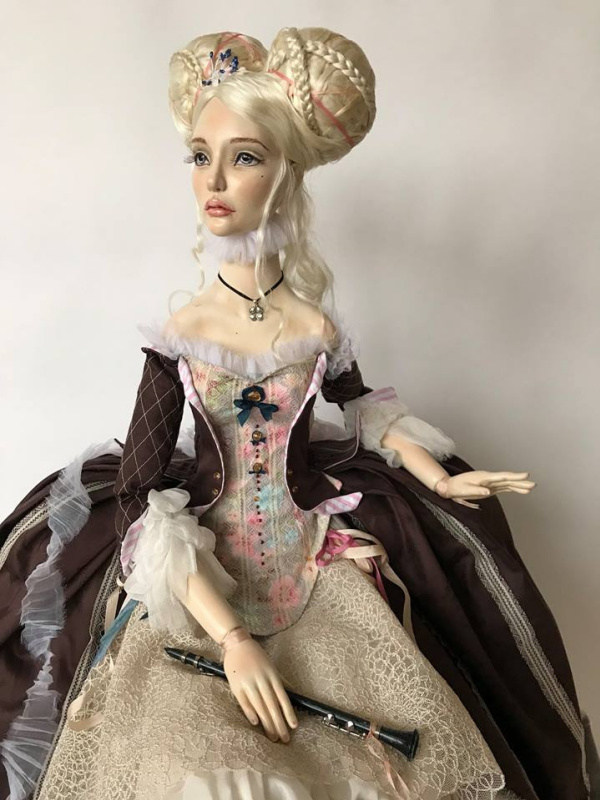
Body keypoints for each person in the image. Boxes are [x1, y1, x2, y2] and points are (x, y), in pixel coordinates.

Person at [0, 26, 592, 800]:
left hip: (311, 570)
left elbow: (366, 409)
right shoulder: (182, 338)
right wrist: (230, 638)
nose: (214, 179)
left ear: (285, 173)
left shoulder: (315, 329)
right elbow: (145, 502)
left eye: (243, 157)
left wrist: (440, 479)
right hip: (201, 585)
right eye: (200, 156)